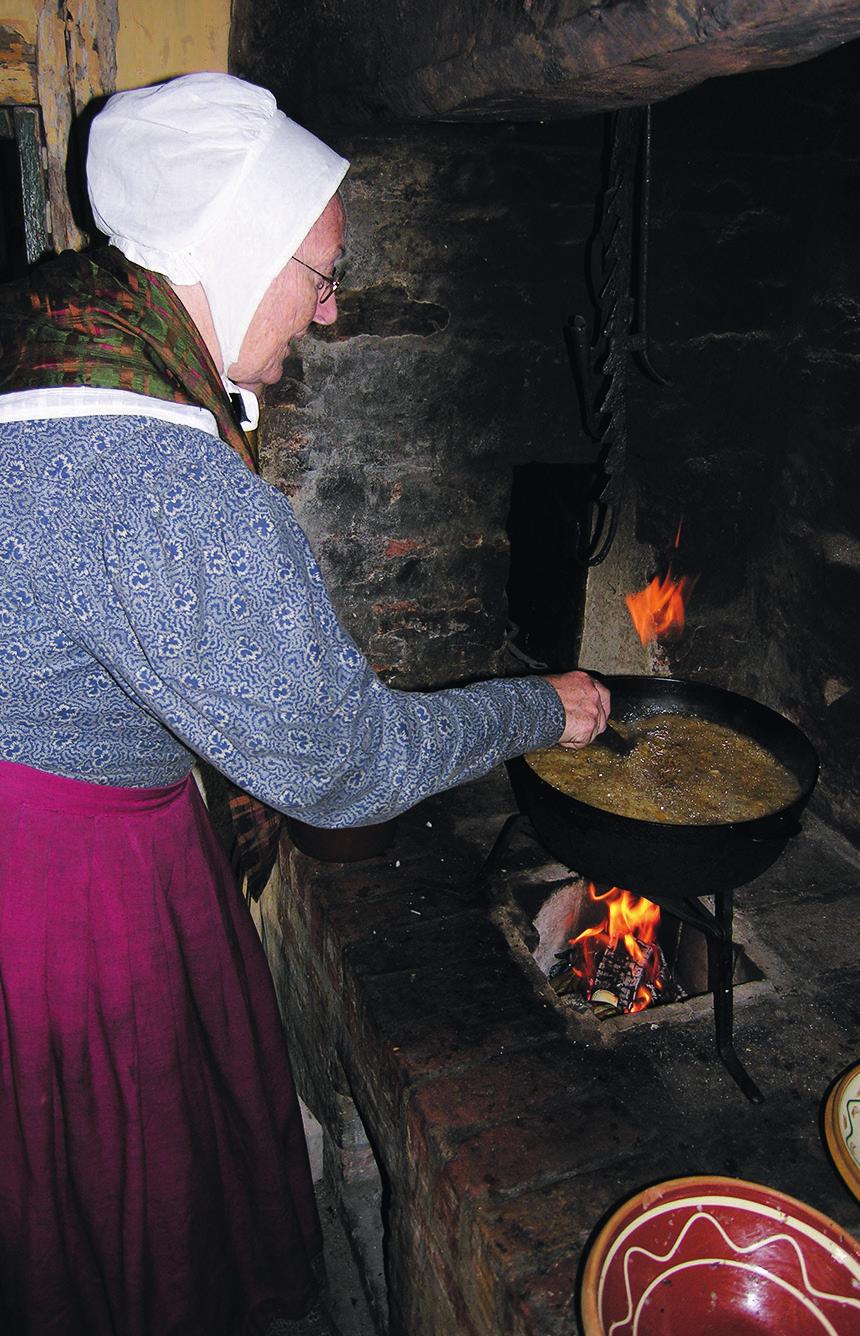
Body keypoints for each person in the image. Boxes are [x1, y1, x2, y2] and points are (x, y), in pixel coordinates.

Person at [0, 73, 610, 1336]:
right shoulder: (162, 485)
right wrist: (531, 708)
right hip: (68, 889)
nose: (330, 314)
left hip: (51, 824)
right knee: (132, 1190)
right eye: (320, 272)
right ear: (225, 249)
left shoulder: (43, 331)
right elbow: (343, 766)